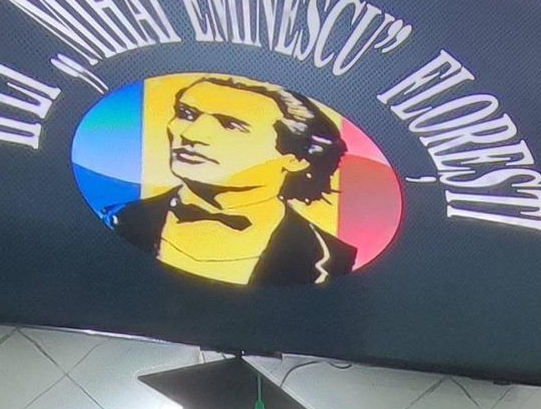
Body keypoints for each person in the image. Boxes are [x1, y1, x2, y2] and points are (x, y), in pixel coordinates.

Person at [109, 76, 356, 287]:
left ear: (295, 158)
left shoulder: (331, 257)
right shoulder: (117, 220)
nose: (190, 134)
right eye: (187, 114)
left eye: (230, 125)